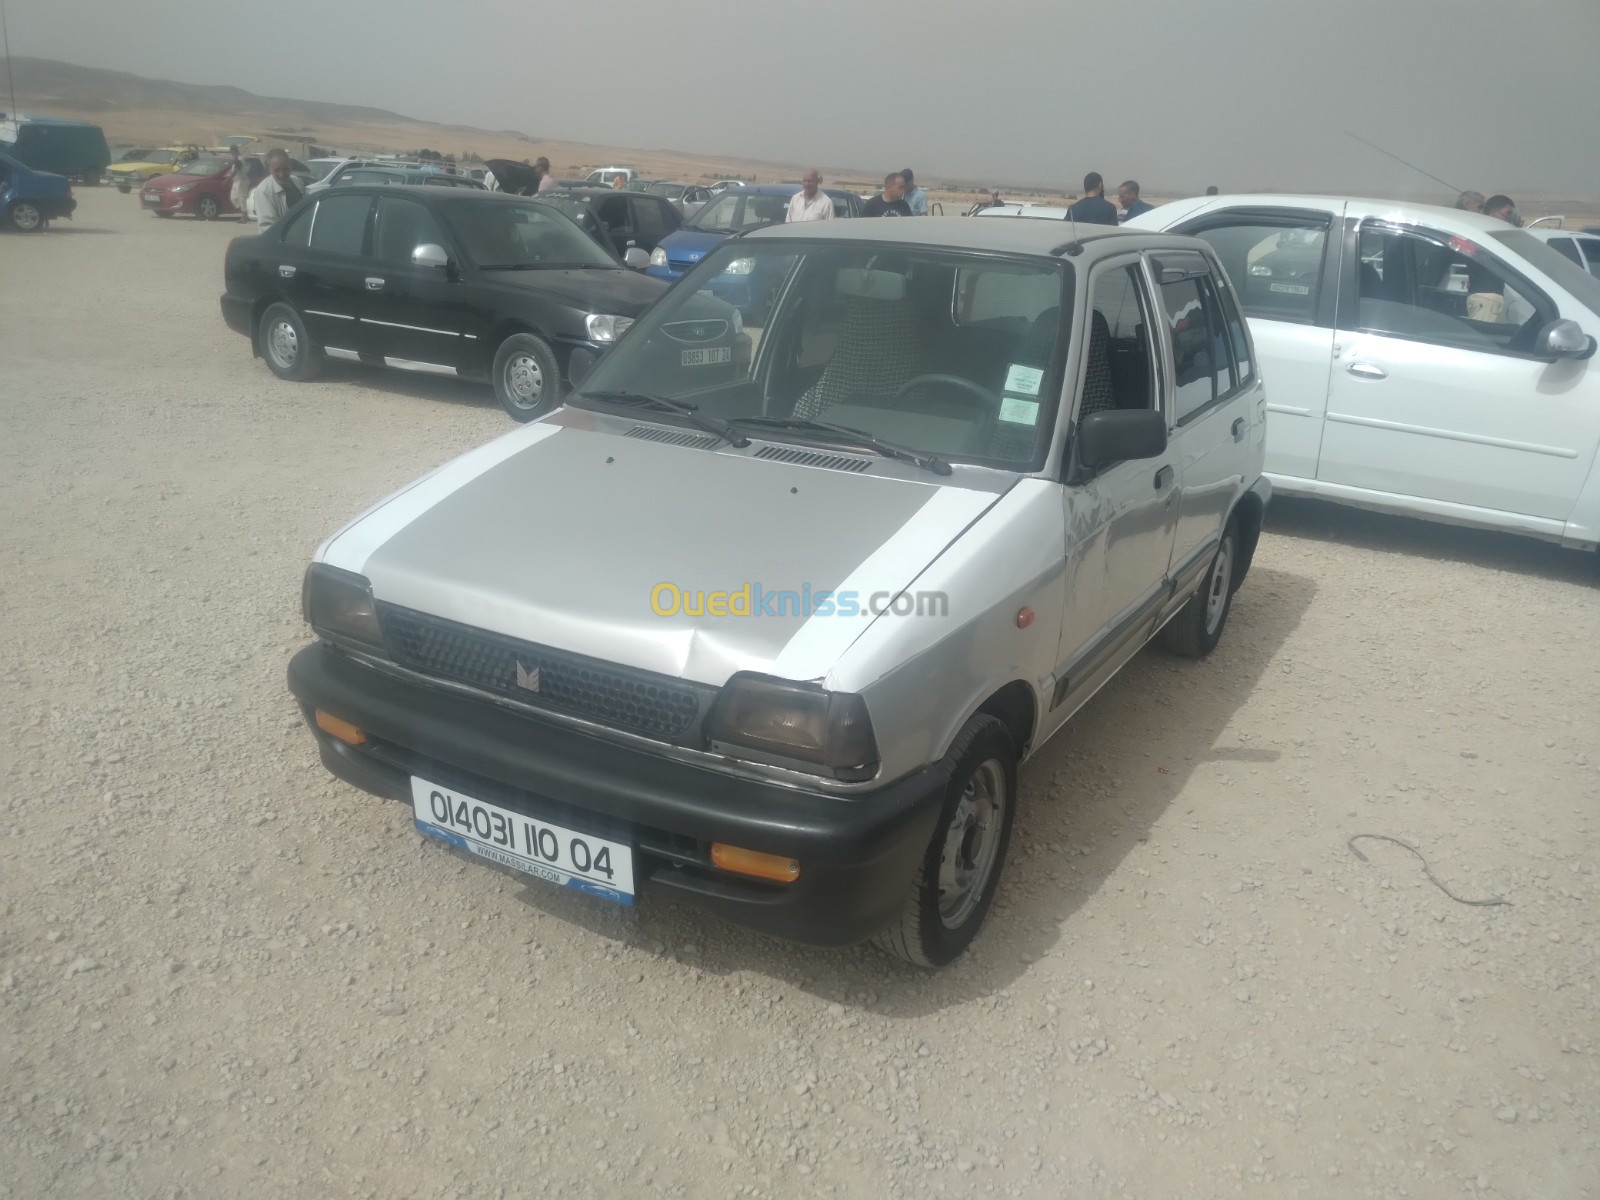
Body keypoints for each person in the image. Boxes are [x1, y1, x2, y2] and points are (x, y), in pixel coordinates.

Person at [250, 150, 303, 232]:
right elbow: (267, 227)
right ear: (269, 169)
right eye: (276, 170)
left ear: (290, 166)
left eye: (285, 169)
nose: (281, 174)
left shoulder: (297, 182)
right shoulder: (264, 192)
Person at [226, 146, 252, 222]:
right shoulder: (237, 159)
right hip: (237, 181)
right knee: (234, 197)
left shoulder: (238, 159)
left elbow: (236, 170)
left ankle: (244, 217)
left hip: (241, 181)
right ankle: (244, 213)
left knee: (242, 198)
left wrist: (228, 179)